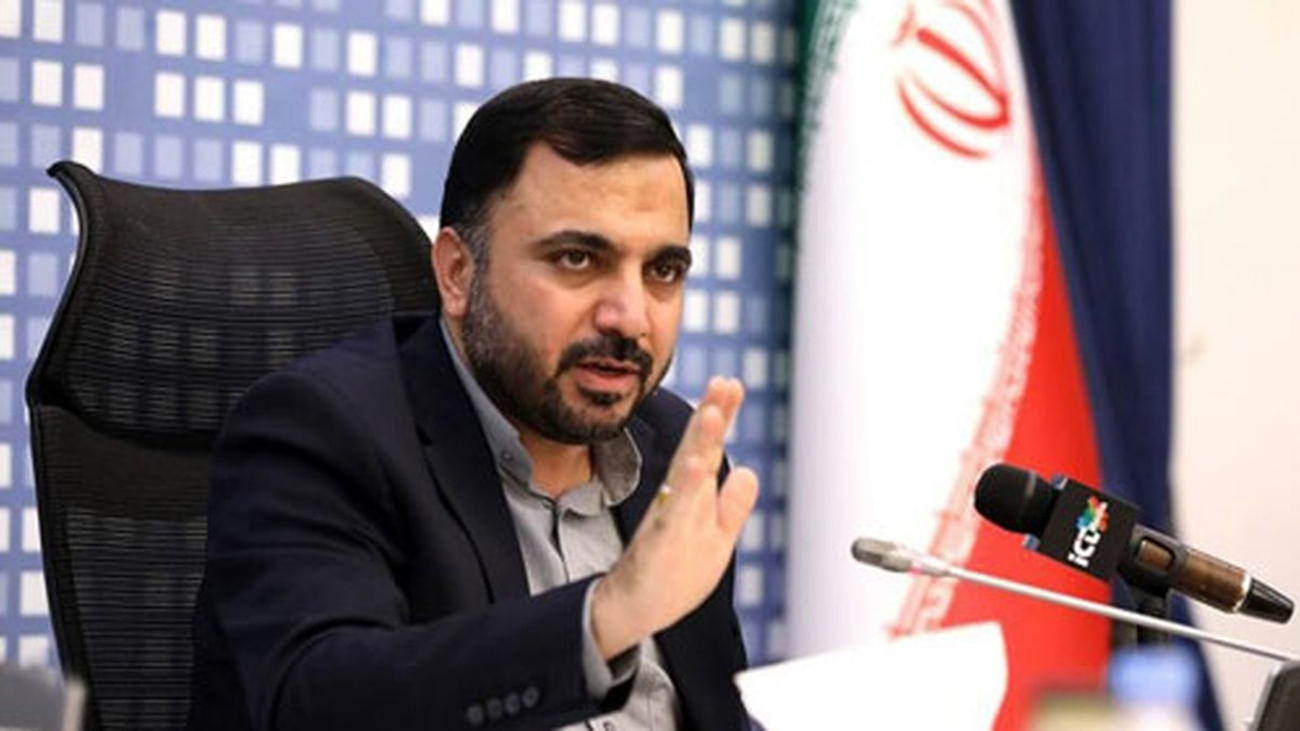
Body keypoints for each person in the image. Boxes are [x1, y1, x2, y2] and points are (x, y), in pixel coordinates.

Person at [187, 78, 760, 731]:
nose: (630, 317)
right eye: (577, 258)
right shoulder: (321, 430)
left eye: (662, 271)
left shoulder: (676, 450)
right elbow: (316, 702)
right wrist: (605, 618)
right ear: (458, 273)